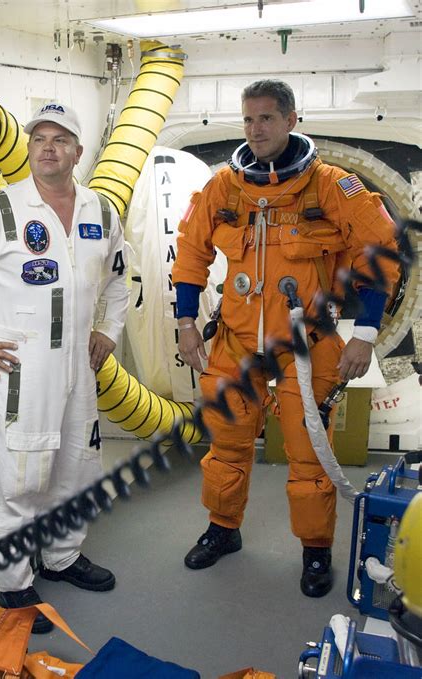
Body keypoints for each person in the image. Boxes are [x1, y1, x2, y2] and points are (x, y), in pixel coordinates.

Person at [171, 79, 400, 597]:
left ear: (292, 120)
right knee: (226, 446)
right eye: (249, 120)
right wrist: (186, 322)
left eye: (267, 119)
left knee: (309, 455)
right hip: (235, 342)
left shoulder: (332, 188)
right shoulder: (223, 188)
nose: (256, 130)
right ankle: (223, 529)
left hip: (307, 343)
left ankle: (316, 551)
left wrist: (363, 334)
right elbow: (190, 254)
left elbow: (381, 251)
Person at [0, 102, 129, 632]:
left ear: (77, 151)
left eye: (60, 138)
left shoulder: (102, 211)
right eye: (39, 138)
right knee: (20, 482)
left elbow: (120, 278)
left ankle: (63, 557)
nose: (47, 147)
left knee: (73, 470)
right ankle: (14, 585)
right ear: (29, 148)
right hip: (23, 373)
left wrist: (108, 331)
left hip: (80, 369)